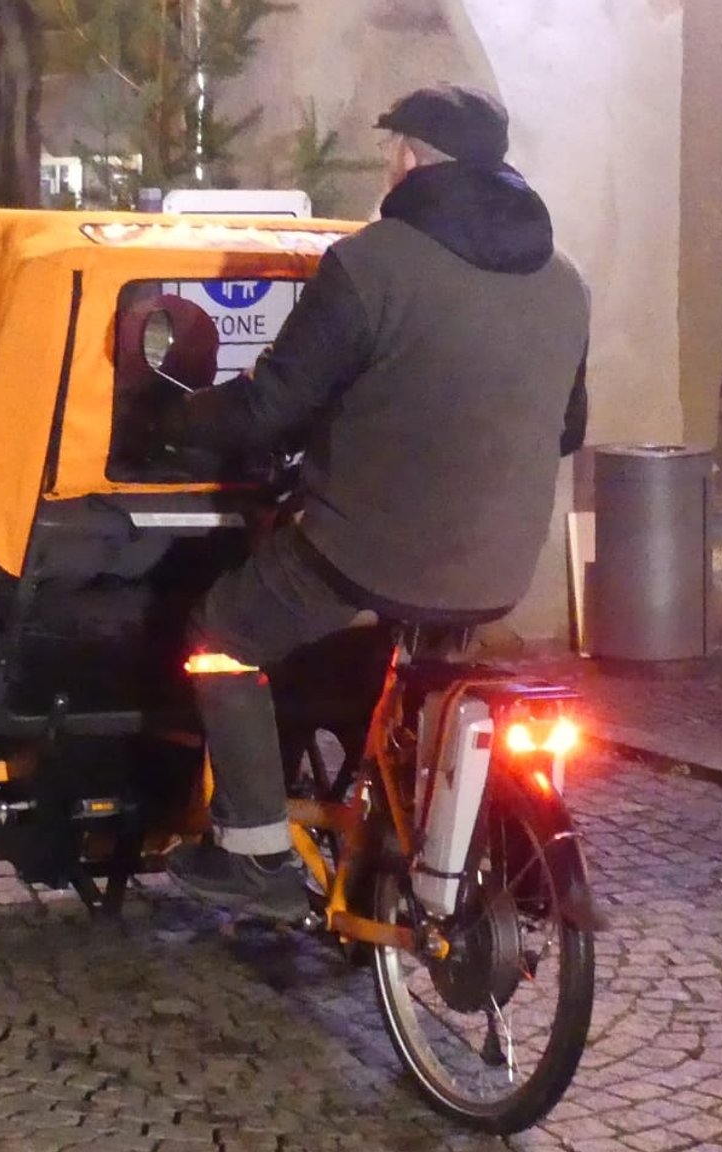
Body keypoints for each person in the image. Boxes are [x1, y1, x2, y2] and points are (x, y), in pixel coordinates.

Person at [153, 84, 592, 920]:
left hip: (366, 551)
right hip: (501, 563)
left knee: (223, 634)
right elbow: (567, 428)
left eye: (393, 150)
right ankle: (383, 823)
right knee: (402, 652)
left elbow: (266, 410)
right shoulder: (565, 280)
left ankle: (253, 849)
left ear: (412, 159)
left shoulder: (369, 262)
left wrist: (170, 419)